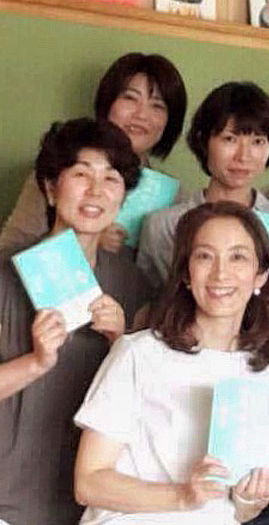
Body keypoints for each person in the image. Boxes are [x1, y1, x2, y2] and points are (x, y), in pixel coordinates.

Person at [74, 201, 269, 524]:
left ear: (260, 275)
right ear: (185, 273)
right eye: (205, 256)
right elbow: (89, 482)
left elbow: (241, 512)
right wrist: (182, 496)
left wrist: (250, 500)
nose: (221, 273)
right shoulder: (138, 354)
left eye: (237, 257)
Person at [0, 117, 153, 525]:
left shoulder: (134, 285)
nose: (96, 191)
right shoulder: (4, 273)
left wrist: (122, 342)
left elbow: (150, 407)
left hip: (89, 504)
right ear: (51, 188)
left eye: (111, 178)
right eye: (82, 174)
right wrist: (35, 362)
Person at [137, 81, 269, 341]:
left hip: (268, 354)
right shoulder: (163, 224)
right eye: (230, 139)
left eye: (257, 141)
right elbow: (146, 310)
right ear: (204, 141)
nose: (244, 156)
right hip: (184, 350)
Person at [0, 52, 187, 252]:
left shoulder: (171, 196)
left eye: (157, 105)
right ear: (107, 103)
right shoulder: (60, 171)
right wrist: (84, 239)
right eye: (130, 98)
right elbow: (9, 250)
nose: (142, 114)